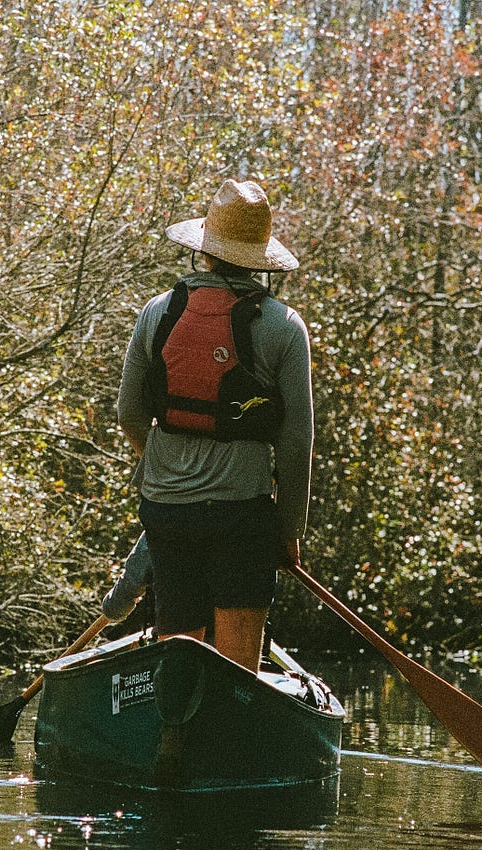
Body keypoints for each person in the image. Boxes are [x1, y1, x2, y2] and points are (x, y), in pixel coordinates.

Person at [116, 178, 313, 673]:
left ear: (203, 250)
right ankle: (230, 732)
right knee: (238, 661)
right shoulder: (285, 326)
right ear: (260, 258)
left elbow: (128, 414)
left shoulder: (157, 312)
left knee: (178, 642)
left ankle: (171, 739)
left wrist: (164, 466)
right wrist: (288, 531)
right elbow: (296, 442)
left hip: (166, 510)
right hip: (242, 513)